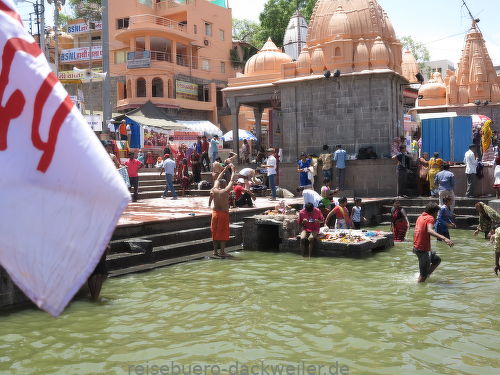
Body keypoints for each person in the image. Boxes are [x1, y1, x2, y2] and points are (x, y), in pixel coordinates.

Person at [413, 203, 454, 283]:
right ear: (434, 212)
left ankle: (426, 275)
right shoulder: (430, 218)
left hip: (417, 247)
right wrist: (444, 238)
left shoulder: (420, 217)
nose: (437, 215)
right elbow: (430, 230)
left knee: (436, 260)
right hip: (422, 249)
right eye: (437, 213)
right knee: (422, 277)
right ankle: (420, 288)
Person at [209, 164, 236, 257]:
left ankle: (215, 251)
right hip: (223, 214)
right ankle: (222, 252)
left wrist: (224, 170)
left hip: (215, 213)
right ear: (224, 184)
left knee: (215, 232)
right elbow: (232, 180)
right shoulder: (225, 191)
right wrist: (232, 170)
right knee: (223, 233)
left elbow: (217, 179)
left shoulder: (215, 189)